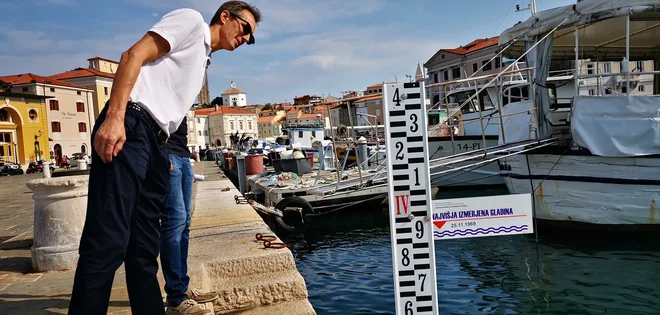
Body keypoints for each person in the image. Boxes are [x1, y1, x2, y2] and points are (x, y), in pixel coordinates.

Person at [68, 2, 262, 314]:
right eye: (246, 29)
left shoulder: (203, 60)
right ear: (225, 16)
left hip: (156, 144)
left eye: (251, 38)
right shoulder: (191, 22)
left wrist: (162, 151)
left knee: (144, 249)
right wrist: (116, 118)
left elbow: (166, 103)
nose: (246, 39)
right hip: (131, 123)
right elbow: (133, 56)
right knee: (107, 241)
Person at [161, 118, 218, 314]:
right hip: (167, 153)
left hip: (183, 155)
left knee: (184, 223)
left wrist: (188, 161)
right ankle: (176, 298)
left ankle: (182, 287)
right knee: (173, 222)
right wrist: (158, 151)